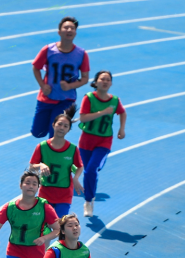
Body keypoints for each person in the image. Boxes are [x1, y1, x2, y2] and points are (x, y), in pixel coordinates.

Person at [31, 17, 91, 139]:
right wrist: (43, 85)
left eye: (72, 28)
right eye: (66, 27)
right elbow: (36, 67)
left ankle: (52, 151)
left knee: (55, 134)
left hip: (66, 100)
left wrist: (70, 86)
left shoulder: (81, 54)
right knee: (38, 132)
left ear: (75, 33)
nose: (69, 30)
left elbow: (85, 78)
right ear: (59, 32)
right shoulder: (48, 50)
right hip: (47, 97)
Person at [78, 71, 126, 216]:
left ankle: (88, 201)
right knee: (89, 171)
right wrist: (103, 112)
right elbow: (83, 118)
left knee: (91, 170)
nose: (105, 82)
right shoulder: (89, 98)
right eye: (102, 79)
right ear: (96, 82)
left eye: (108, 80)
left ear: (111, 83)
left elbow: (122, 112)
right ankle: (90, 197)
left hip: (104, 141)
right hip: (86, 141)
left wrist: (122, 129)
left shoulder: (115, 100)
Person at [30, 105, 84, 218]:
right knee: (43, 224)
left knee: (60, 224)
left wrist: (76, 178)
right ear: (53, 125)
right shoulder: (42, 147)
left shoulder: (72, 149)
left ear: (69, 129)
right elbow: (31, 167)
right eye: (59, 124)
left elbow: (80, 166)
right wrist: (41, 165)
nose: (62, 128)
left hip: (64, 195)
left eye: (65, 126)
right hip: (45, 193)